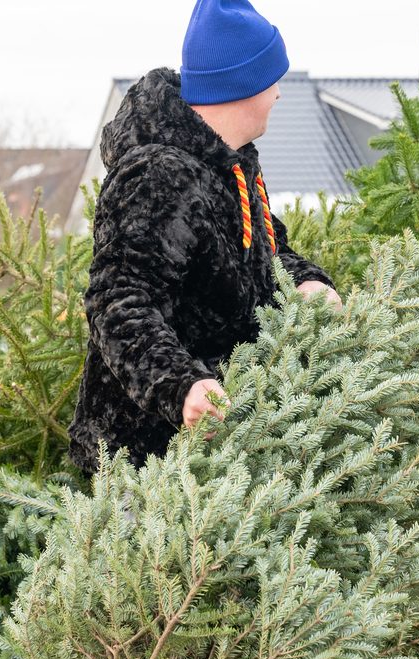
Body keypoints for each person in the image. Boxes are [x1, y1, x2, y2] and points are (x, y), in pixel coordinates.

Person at [68, 0, 341, 480]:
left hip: (222, 450)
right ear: (243, 85)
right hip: (143, 462)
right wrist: (181, 387)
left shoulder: (232, 161)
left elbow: (267, 249)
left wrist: (305, 282)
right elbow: (118, 303)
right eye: (272, 78)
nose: (279, 93)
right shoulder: (158, 178)